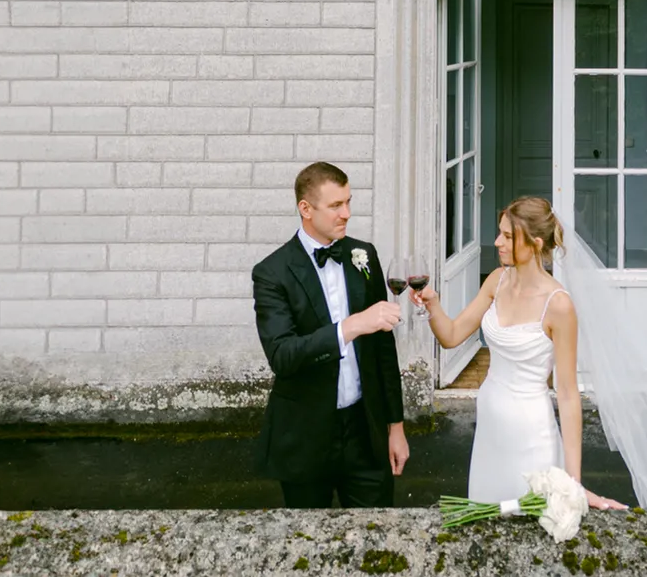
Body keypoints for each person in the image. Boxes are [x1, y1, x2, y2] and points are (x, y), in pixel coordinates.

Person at [411, 196, 626, 510]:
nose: (497, 242)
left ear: (536, 243)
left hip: (530, 436)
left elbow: (567, 394)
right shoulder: (496, 281)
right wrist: (432, 305)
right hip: (488, 431)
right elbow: (452, 335)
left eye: (508, 237)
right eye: (500, 232)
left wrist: (573, 483)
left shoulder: (559, 305)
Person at [251, 161, 409, 508]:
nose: (346, 213)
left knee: (376, 539)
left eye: (349, 202)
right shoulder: (271, 273)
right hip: (305, 435)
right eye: (336, 205)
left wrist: (395, 427)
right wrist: (351, 327)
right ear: (305, 209)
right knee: (308, 544)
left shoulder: (363, 255)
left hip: (365, 432)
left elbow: (384, 350)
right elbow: (283, 356)